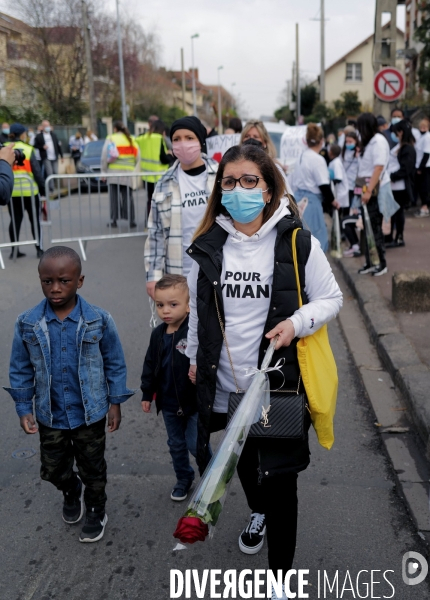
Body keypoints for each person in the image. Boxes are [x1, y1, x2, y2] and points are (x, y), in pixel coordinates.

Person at [185, 144, 342, 598]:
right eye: (229, 182)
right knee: (248, 469)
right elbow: (200, 313)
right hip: (227, 388)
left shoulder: (296, 242)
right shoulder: (207, 246)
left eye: (250, 180)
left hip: (279, 389)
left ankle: (280, 577)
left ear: (269, 187)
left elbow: (331, 299)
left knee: (281, 484)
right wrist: (195, 359)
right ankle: (258, 513)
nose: (238, 190)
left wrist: (296, 323)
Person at [3, 246, 134, 542]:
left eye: (64, 280)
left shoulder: (98, 319)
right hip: (51, 413)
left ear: (80, 281)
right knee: (53, 469)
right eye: (47, 281)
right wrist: (24, 408)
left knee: (93, 469)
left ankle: (96, 509)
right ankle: (71, 490)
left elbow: (114, 362)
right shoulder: (28, 322)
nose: (55, 288)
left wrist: (115, 403)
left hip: (90, 412)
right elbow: (20, 368)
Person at [144, 116, 218, 299]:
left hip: (217, 271)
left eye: (189, 138)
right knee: (181, 327)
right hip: (178, 275)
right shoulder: (164, 183)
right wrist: (153, 276)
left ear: (200, 141)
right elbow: (156, 234)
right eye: (176, 139)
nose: (182, 144)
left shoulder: (221, 176)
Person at [140, 275, 199, 502]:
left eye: (173, 305)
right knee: (176, 444)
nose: (165, 310)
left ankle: (212, 477)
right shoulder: (158, 335)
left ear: (188, 305)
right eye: (160, 305)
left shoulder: (193, 331)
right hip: (168, 404)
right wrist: (147, 393)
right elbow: (150, 365)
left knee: (196, 444)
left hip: (193, 401)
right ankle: (184, 478)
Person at [289, 123, 336, 252]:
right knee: (315, 239)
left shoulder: (301, 156)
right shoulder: (317, 159)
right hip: (311, 201)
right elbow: (323, 185)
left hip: (299, 199)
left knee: (300, 237)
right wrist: (333, 201)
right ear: (322, 141)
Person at [355, 112, 391, 276]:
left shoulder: (378, 141)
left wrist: (369, 191)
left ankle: (381, 263)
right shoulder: (369, 142)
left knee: (375, 227)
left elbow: (378, 167)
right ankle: (371, 262)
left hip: (373, 190)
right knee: (368, 228)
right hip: (365, 188)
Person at [5, 123, 45, 259]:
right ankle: (39, 249)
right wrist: (43, 189)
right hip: (29, 192)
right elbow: (37, 173)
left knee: (15, 221)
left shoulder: (4, 149)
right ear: (22, 134)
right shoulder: (28, 150)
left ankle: (14, 251)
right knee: (35, 221)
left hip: (12, 192)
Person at [101, 121, 140, 229]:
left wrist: (103, 170)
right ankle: (132, 221)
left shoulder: (111, 138)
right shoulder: (132, 140)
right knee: (128, 198)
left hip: (114, 173)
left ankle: (114, 221)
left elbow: (104, 156)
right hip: (128, 173)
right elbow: (138, 157)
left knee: (114, 198)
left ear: (115, 129)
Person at [385, 120, 416, 247]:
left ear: (401, 132)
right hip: (394, 185)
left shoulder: (407, 148)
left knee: (398, 213)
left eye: (395, 132)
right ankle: (390, 236)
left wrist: (392, 176)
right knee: (393, 213)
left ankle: (399, 238)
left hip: (400, 186)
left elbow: (406, 169)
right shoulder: (400, 146)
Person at [136, 119, 174, 214]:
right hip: (158, 176)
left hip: (146, 176)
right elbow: (163, 158)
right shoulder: (159, 138)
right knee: (161, 201)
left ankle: (148, 223)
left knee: (150, 200)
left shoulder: (143, 138)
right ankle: (159, 223)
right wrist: (170, 155)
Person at [34, 120, 63, 193]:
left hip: (54, 157)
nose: (47, 127)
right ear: (43, 127)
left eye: (48, 125)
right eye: (46, 126)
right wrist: (42, 147)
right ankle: (51, 188)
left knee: (55, 172)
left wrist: (61, 156)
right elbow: (35, 145)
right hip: (46, 157)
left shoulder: (53, 135)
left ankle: (54, 185)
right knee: (49, 172)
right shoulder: (39, 136)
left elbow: (58, 145)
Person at [414, 117, 430, 218]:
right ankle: (423, 206)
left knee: (425, 188)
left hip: (425, 166)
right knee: (420, 188)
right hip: (419, 165)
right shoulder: (421, 136)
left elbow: (426, 154)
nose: (422, 128)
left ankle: (425, 208)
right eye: (421, 127)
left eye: (424, 127)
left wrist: (420, 168)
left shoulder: (427, 137)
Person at [328, 143, 349, 216]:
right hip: (338, 192)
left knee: (339, 213)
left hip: (340, 192)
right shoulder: (334, 162)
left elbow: (338, 178)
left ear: (331, 152)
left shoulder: (336, 163)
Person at [341, 130, 359, 206]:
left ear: (356, 141)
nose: (348, 143)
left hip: (357, 183)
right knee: (346, 204)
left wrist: (358, 156)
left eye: (350, 141)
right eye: (346, 142)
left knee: (357, 204)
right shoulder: (343, 151)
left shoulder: (359, 152)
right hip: (345, 183)